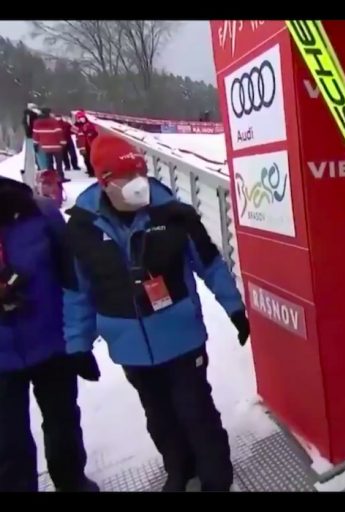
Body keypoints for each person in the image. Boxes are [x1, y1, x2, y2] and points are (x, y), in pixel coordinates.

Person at [62, 134, 251, 492]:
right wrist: (78, 345)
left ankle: (216, 478)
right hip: (130, 347)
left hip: (182, 338)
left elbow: (210, 263)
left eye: (141, 173)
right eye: (128, 176)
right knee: (159, 417)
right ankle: (179, 470)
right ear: (105, 182)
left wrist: (234, 308)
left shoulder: (174, 214)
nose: (139, 183)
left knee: (196, 411)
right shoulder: (81, 230)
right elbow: (77, 293)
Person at [0, 176, 100, 492]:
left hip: (52, 342)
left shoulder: (40, 213)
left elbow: (74, 278)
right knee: (7, 439)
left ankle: (72, 481)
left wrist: (80, 338)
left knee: (63, 422)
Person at [32, 107, 67, 183]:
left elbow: (35, 134)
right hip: (56, 146)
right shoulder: (53, 121)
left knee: (49, 163)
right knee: (59, 163)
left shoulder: (37, 122)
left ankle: (51, 178)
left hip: (45, 146)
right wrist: (63, 143)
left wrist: (35, 144)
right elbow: (59, 133)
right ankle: (60, 177)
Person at [73, 111, 98, 177]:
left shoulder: (90, 124)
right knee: (86, 159)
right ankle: (90, 171)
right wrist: (76, 123)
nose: (82, 119)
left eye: (83, 117)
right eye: (80, 118)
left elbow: (95, 132)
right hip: (82, 145)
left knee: (92, 158)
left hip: (90, 144)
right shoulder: (77, 126)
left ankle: (93, 171)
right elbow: (72, 131)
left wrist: (91, 133)